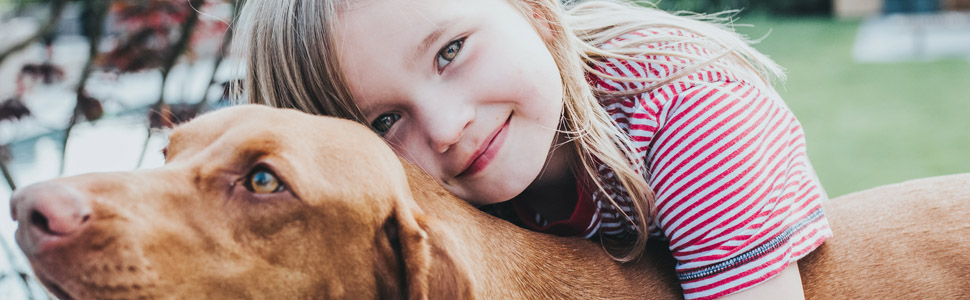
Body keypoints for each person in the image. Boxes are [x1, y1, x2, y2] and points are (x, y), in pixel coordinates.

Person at [231, 0, 832, 299]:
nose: (444, 128)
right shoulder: (418, 206)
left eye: (450, 52)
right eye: (385, 120)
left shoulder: (687, 111)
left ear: (534, 10)